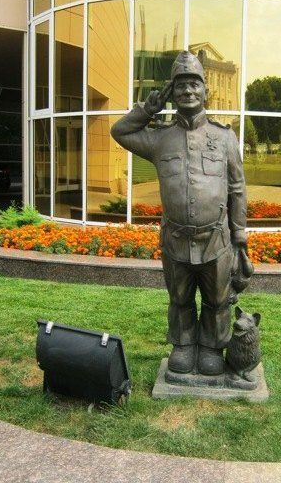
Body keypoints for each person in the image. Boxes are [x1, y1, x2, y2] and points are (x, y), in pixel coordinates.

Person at [111, 51, 252, 376]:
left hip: (216, 240)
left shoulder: (224, 137)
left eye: (194, 85)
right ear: (171, 94)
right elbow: (120, 132)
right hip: (175, 239)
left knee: (217, 301)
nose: (188, 91)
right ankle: (185, 346)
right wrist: (148, 109)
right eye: (180, 86)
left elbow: (237, 189)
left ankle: (211, 348)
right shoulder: (160, 138)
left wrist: (240, 234)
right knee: (180, 298)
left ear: (206, 91)